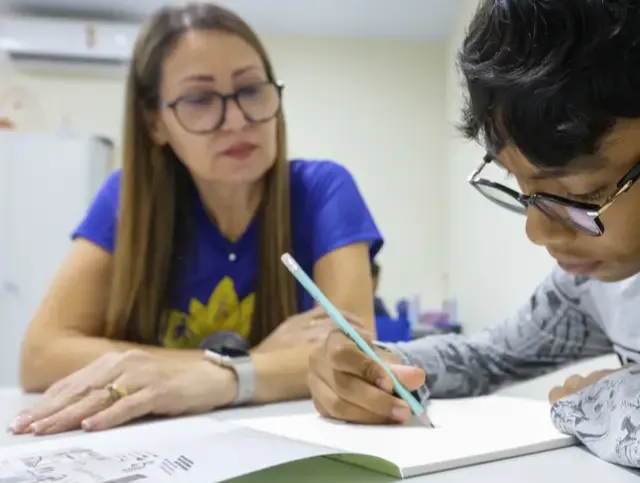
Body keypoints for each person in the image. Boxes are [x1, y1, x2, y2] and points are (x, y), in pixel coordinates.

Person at [306, 0, 640, 481]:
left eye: (581, 193)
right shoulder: (602, 270)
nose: (538, 230)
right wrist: (377, 367)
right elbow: (489, 356)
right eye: (523, 190)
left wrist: (625, 404)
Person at [9, 2, 383, 436]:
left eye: (250, 89)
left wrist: (213, 377)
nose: (237, 120)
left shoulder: (324, 189)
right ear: (155, 123)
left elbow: (353, 354)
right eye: (200, 99)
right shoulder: (126, 199)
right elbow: (40, 355)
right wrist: (248, 362)